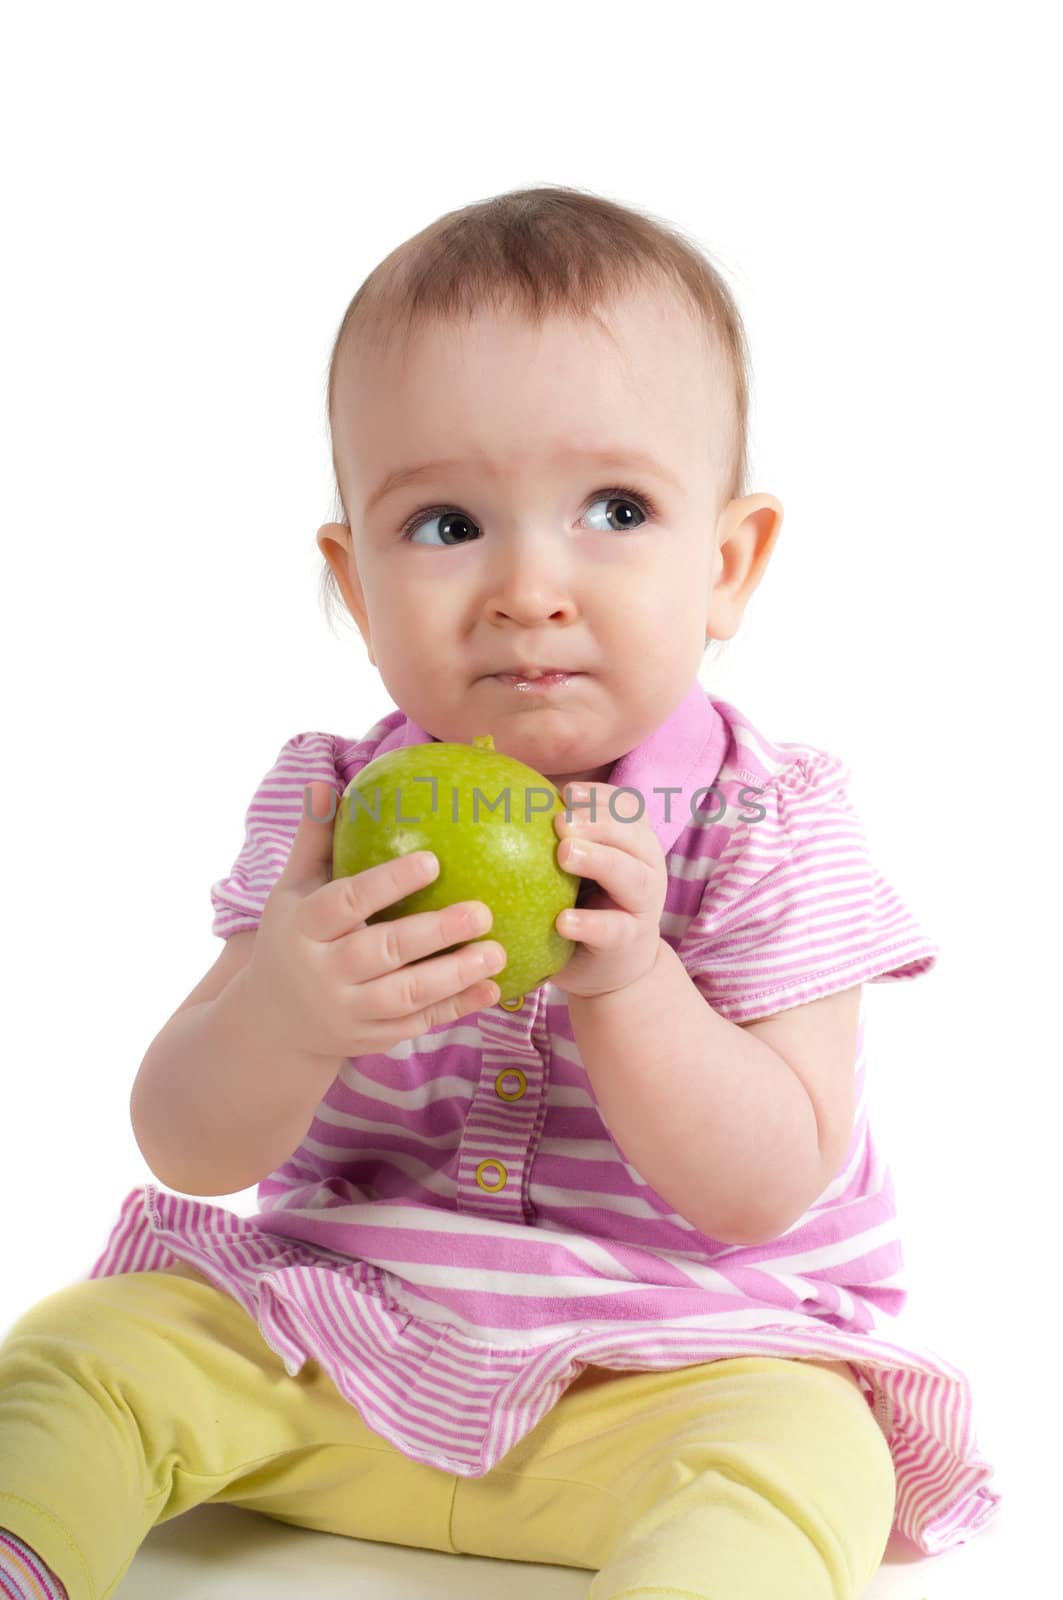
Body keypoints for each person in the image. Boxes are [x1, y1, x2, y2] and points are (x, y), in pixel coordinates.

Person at [0, 184, 1001, 1600]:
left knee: (802, 1446)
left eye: (614, 508)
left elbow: (772, 1182)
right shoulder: (334, 811)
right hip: (337, 1348)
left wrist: (638, 985)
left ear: (726, 565)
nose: (530, 587)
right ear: (353, 582)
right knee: (86, 1347)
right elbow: (187, 1145)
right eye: (447, 524)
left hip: (668, 1371)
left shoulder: (774, 821)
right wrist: (287, 1007)